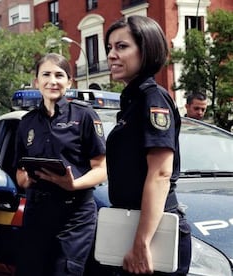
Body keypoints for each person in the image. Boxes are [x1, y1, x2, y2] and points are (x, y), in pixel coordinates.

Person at [104, 15, 191, 275]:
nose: (111, 55)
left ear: (146, 49)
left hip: (155, 234)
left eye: (122, 46)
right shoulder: (132, 100)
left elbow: (161, 174)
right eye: (110, 47)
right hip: (133, 225)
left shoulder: (153, 99)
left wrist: (142, 242)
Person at [14, 53, 107, 276]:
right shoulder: (26, 122)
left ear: (69, 81)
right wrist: (25, 179)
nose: (52, 81)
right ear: (36, 81)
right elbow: (19, 169)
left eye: (59, 75)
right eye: (46, 74)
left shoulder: (84, 116)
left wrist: (73, 184)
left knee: (64, 271)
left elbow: (101, 169)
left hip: (74, 213)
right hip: (37, 210)